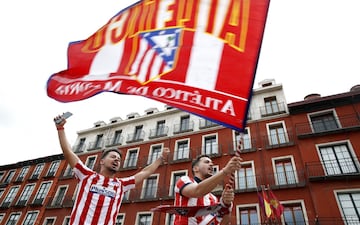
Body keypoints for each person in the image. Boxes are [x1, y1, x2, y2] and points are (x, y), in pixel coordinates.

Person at [54, 114, 170, 225]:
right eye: (113, 157)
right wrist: (60, 128)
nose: (116, 160)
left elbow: (145, 172)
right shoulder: (86, 176)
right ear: (102, 161)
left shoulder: (121, 185)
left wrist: (160, 159)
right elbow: (68, 152)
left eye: (119, 159)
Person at [174, 149, 243, 225]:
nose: (211, 164)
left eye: (212, 163)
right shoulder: (184, 180)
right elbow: (197, 191)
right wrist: (225, 171)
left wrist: (226, 204)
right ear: (195, 168)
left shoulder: (213, 198)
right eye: (207, 162)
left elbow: (222, 223)